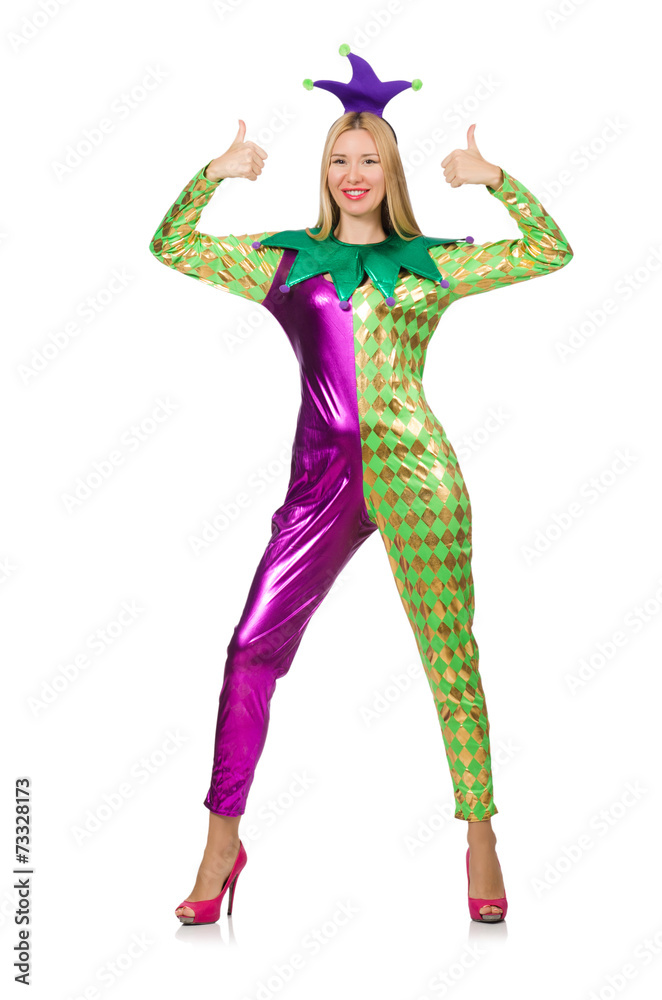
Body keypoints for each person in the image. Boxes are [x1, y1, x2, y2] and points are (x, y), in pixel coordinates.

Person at [148, 47, 573, 925]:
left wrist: (496, 180)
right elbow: (172, 246)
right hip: (321, 484)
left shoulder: (429, 264)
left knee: (448, 654)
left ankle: (481, 834)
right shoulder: (287, 262)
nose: (353, 174)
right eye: (340, 159)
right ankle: (222, 843)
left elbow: (550, 251)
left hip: (418, 476)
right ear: (324, 172)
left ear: (391, 173)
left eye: (370, 159)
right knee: (251, 650)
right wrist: (215, 174)